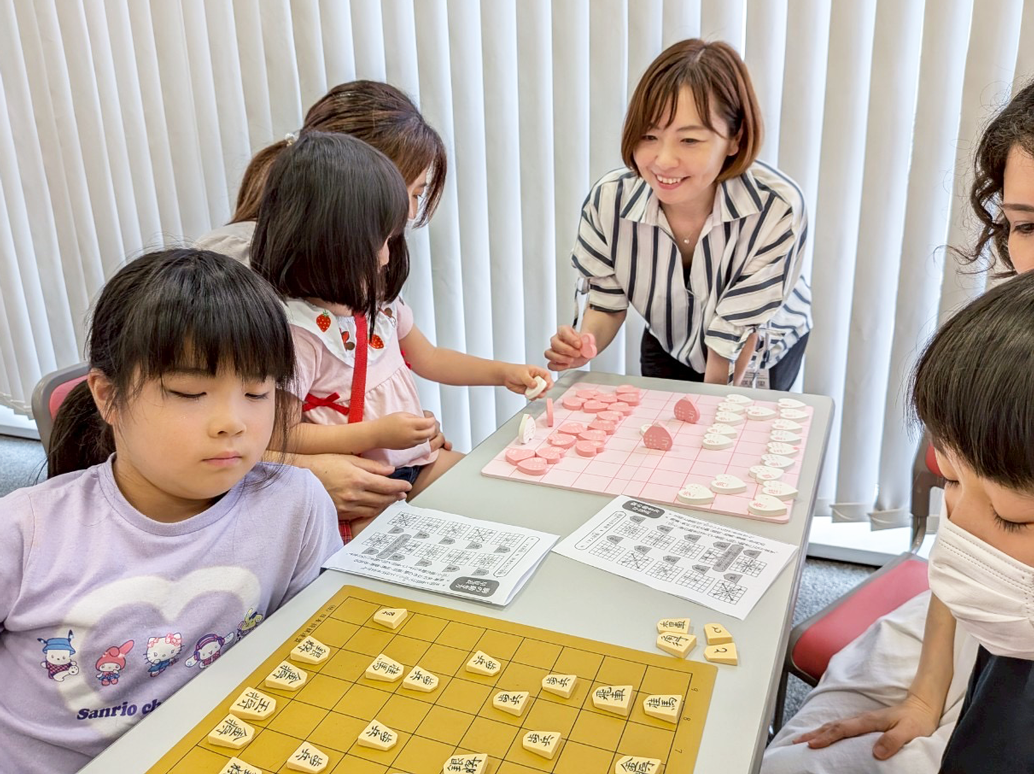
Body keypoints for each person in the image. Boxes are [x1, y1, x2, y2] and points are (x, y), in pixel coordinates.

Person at [763, 81, 1034, 774]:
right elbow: (965, 545)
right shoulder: (1006, 340)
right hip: (981, 625)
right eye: (1027, 226)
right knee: (795, 757)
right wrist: (926, 689)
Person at [0, 249, 342, 772]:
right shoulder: (24, 530)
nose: (232, 422)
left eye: (257, 391)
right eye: (189, 392)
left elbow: (310, 649)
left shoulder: (296, 504)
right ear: (108, 397)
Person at [251, 132, 553, 538]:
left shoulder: (380, 304)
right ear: (325, 242)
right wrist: (376, 434)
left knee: (496, 498)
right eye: (377, 242)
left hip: (419, 463)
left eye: (391, 240)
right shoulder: (297, 333)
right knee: (388, 559)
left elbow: (430, 358)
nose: (386, 257)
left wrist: (502, 372)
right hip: (362, 483)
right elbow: (283, 435)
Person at [195, 80, 450, 525]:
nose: (411, 214)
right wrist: (305, 471)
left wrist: (402, 430)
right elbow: (214, 430)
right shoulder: (236, 274)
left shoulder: (347, 269)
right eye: (409, 192)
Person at [545, 38, 811, 390]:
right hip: (670, 338)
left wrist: (709, 408)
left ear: (735, 138)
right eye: (649, 136)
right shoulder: (608, 202)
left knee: (724, 424)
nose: (664, 160)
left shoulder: (777, 209)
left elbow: (733, 337)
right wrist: (584, 345)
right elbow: (607, 303)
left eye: (689, 140)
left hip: (758, 347)